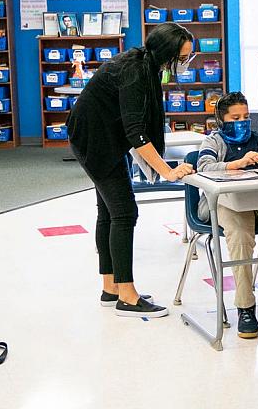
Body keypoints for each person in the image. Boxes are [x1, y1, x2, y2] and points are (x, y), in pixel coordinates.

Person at [68, 22, 196, 319]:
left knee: (109, 212)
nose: (184, 63)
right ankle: (127, 295)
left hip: (102, 136)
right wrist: (167, 171)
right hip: (94, 140)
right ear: (167, 52)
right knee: (124, 213)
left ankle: (110, 288)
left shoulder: (145, 63)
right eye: (182, 58)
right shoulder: (135, 71)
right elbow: (136, 131)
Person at [194, 91, 258, 339]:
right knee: (240, 237)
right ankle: (245, 307)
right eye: (235, 117)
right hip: (227, 203)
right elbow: (204, 167)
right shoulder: (214, 141)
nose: (242, 121)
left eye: (246, 116)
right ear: (222, 120)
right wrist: (236, 163)